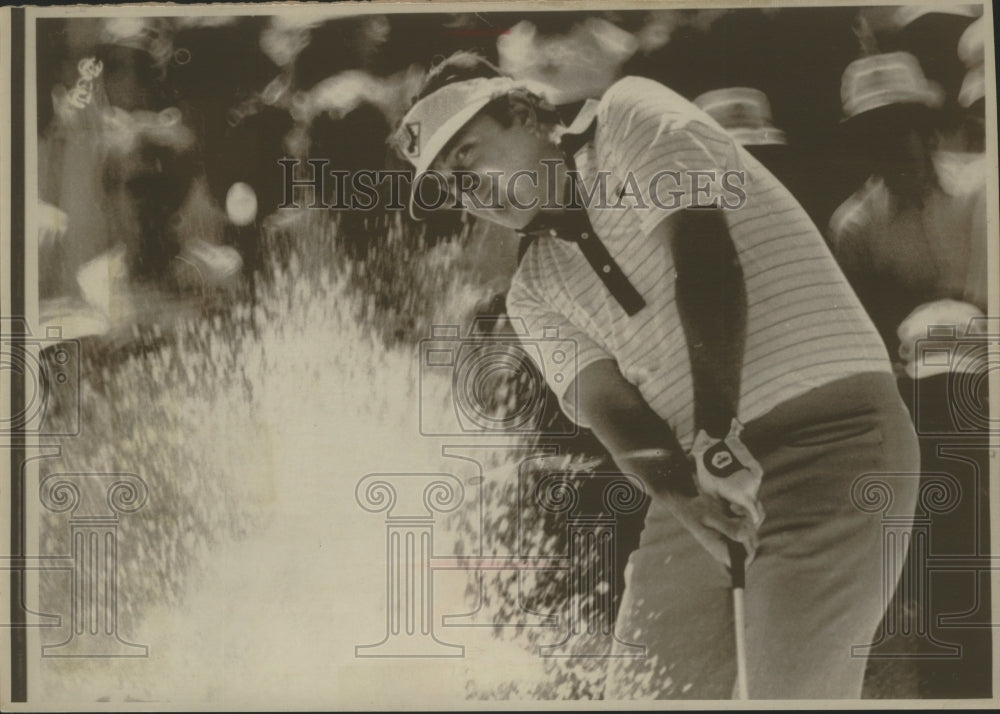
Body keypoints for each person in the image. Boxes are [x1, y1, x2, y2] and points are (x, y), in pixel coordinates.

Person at [392, 52, 920, 699]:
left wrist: (715, 433)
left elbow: (705, 263)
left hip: (834, 442)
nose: (467, 188)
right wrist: (686, 497)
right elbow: (617, 416)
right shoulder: (530, 290)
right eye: (448, 182)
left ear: (529, 114)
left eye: (468, 154)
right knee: (644, 696)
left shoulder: (625, 116)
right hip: (701, 475)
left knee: (790, 697)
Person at [830, 50, 991, 699]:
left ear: (925, 126)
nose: (890, 142)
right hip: (930, 401)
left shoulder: (984, 187)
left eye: (900, 123)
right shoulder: (857, 225)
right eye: (875, 129)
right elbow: (868, 338)